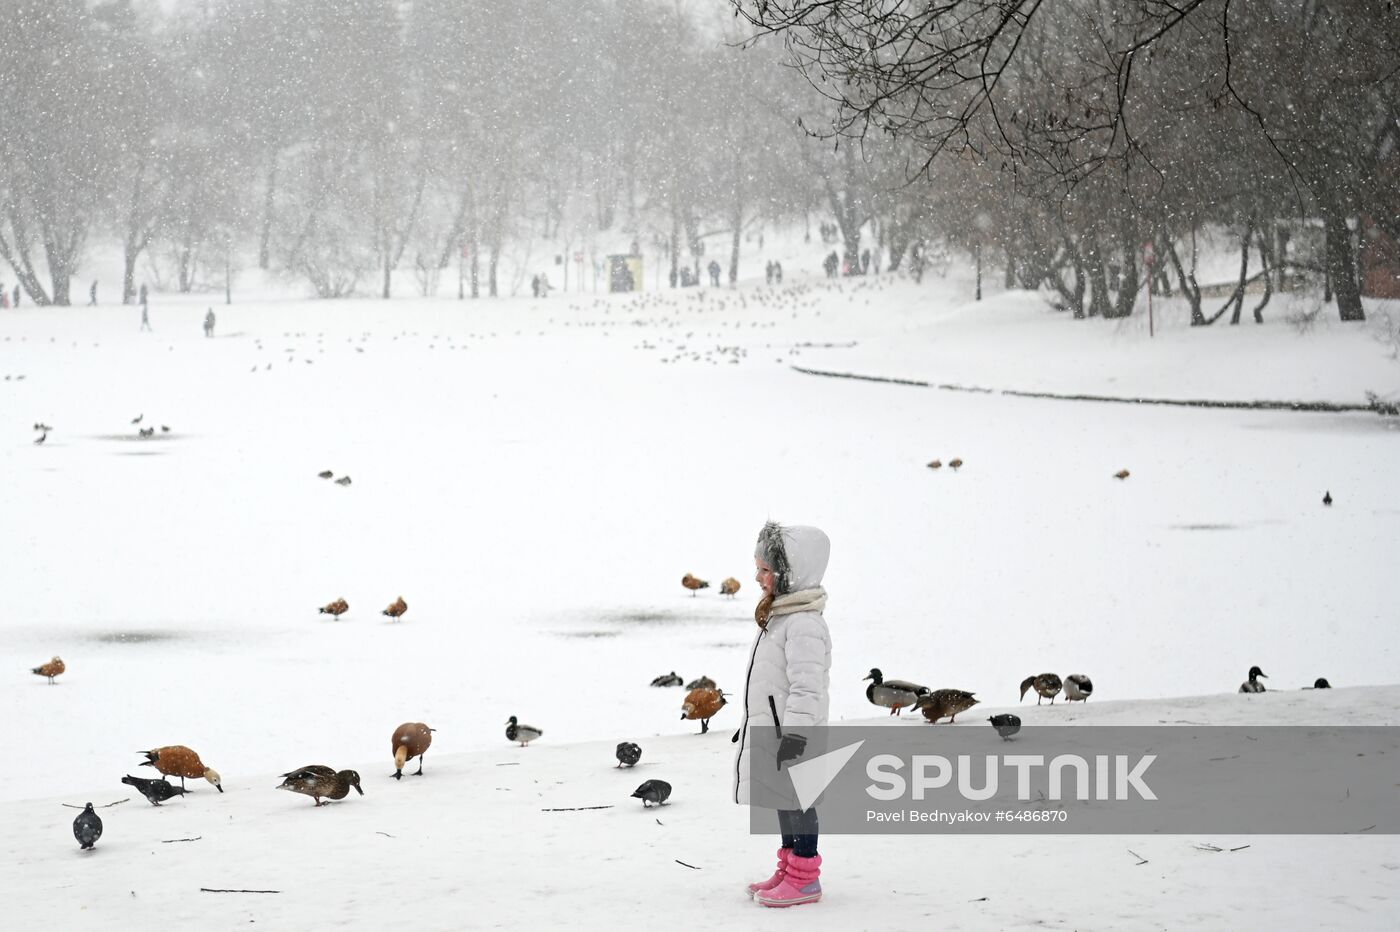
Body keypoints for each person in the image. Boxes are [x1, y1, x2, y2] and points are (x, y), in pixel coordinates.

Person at [734, 521, 832, 908]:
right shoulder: (782, 615)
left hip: (794, 734)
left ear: (790, 574)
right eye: (757, 567)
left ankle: (805, 877)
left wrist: (796, 735)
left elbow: (809, 687)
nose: (757, 577)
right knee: (783, 798)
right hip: (776, 732)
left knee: (799, 802)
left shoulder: (804, 623)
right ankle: (789, 869)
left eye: (765, 569)